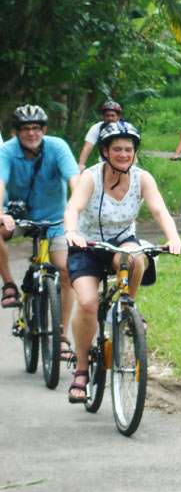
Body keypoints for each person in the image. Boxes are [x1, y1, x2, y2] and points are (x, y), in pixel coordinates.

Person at [62, 121, 181, 403]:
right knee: (89, 304)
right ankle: (81, 369)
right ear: (105, 151)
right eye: (117, 149)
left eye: (128, 149)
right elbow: (74, 208)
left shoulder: (142, 178)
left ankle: (127, 306)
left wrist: (174, 237)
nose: (123, 154)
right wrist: (71, 232)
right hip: (87, 244)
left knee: (136, 257)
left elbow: (159, 210)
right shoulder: (90, 178)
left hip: (122, 241)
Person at [0, 105, 80, 361]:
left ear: (44, 130)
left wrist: (77, 207)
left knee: (66, 270)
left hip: (55, 219)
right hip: (17, 217)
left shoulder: (57, 147)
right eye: (25, 128)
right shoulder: (6, 151)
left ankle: (62, 337)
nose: (31, 133)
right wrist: (2, 213)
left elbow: (74, 180)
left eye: (36, 128)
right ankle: (10, 285)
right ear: (16, 132)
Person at [77, 101, 123, 172]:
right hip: (104, 162)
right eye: (107, 116)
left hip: (123, 161)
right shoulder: (97, 128)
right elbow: (87, 147)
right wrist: (81, 165)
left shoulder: (125, 128)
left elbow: (132, 148)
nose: (110, 118)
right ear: (103, 116)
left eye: (112, 115)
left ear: (118, 117)